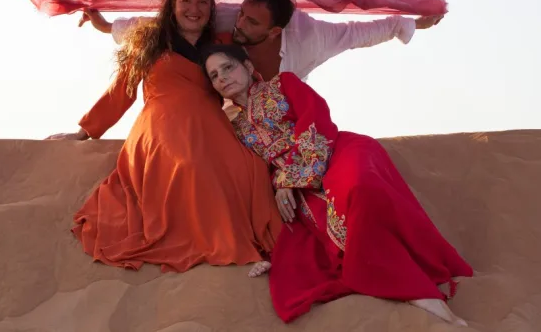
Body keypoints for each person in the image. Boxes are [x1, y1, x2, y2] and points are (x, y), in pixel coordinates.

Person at [202, 44, 474, 326]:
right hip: (298, 189)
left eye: (228, 67)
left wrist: (291, 178)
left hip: (336, 150)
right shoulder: (234, 127)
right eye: (214, 76)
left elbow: (315, 118)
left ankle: (414, 283)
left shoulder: (283, 84)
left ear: (247, 67)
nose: (222, 77)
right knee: (334, 225)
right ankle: (413, 289)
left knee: (360, 188)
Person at [47, 0, 283, 273]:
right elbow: (122, 90)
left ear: (211, 9)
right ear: (172, 5)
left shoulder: (223, 44)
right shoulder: (150, 39)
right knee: (189, 164)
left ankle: (259, 243)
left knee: (251, 168)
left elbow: (253, 73)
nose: (194, 9)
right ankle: (226, 245)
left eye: (203, 3)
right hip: (162, 124)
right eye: (186, 1)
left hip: (211, 126)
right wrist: (85, 131)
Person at [79, 0, 443, 82]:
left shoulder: (313, 38)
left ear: (275, 31)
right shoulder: (230, 18)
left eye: (252, 23)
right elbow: (170, 24)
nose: (239, 25)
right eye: (241, 15)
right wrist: (108, 26)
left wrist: (413, 24)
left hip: (281, 122)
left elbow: (362, 32)